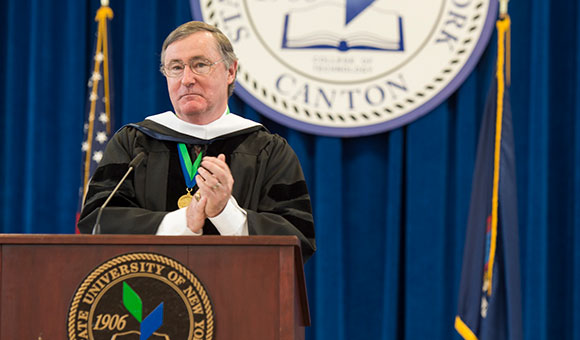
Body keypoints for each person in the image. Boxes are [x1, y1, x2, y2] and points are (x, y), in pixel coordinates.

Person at [78, 21, 316, 261]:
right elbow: (97, 221)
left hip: (237, 294)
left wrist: (225, 212)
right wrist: (182, 222)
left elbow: (296, 240)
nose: (186, 79)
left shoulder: (268, 150)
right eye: (176, 67)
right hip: (149, 292)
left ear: (231, 71)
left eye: (200, 64)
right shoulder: (134, 144)